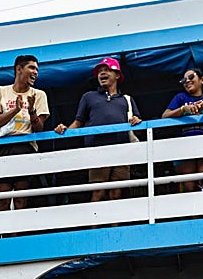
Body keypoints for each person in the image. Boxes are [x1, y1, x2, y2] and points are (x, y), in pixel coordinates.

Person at [54, 57, 143, 202]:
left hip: (122, 151)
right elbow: (78, 122)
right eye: (100, 71)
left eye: (107, 70)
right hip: (97, 150)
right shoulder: (89, 97)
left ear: (117, 75)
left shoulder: (126, 99)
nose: (102, 73)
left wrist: (137, 122)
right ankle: (95, 225)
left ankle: (115, 225)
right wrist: (64, 130)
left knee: (117, 193)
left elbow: (137, 129)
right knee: (98, 192)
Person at [0, 55, 50, 210]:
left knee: (21, 199)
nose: (35, 72)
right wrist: (15, 110)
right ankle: (4, 235)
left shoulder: (39, 95)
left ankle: (16, 234)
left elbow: (39, 128)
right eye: (32, 68)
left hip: (25, 146)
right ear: (19, 69)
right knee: (2, 198)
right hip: (2, 147)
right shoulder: (1, 91)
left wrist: (32, 110)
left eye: (37, 69)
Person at [161, 69, 203, 190]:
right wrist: (183, 109)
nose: (187, 81)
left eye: (191, 77)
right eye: (184, 80)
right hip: (185, 146)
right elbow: (165, 116)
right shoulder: (180, 98)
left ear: (202, 80)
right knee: (190, 184)